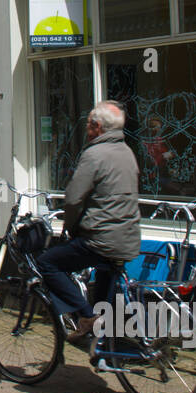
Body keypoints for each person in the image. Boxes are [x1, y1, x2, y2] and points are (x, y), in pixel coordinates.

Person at [36, 101, 141, 343]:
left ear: (97, 127)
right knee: (104, 275)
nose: (86, 128)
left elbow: (73, 199)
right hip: (128, 238)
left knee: (48, 263)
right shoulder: (127, 152)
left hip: (102, 239)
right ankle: (102, 344)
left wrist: (70, 229)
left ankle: (85, 317)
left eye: (88, 124)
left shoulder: (94, 154)